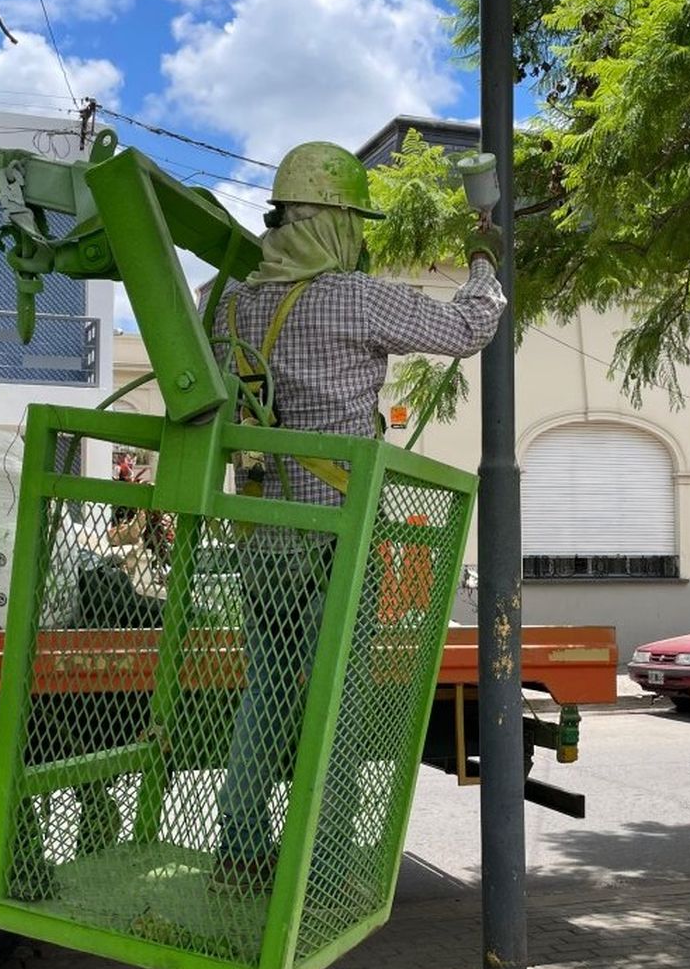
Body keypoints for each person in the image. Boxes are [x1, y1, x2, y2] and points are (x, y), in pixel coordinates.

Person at [208, 140, 506, 894]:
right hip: (339, 533)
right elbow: (468, 329)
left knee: (268, 688)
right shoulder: (351, 296)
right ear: (337, 221)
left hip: (261, 533)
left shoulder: (232, 304)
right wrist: (484, 259)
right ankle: (329, 859)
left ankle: (240, 850)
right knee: (337, 701)